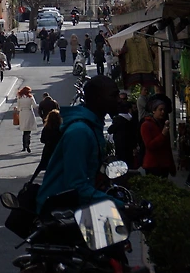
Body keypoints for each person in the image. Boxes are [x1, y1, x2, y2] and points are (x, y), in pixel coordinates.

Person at [35, 75, 119, 213]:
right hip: (58, 213)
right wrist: (119, 205)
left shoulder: (91, 126)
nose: (118, 100)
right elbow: (77, 185)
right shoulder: (80, 132)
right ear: (98, 98)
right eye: (113, 96)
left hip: (73, 208)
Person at [140, 97, 175, 177]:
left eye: (164, 110)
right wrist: (162, 135)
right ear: (154, 111)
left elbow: (167, 147)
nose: (163, 112)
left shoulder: (163, 124)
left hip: (164, 164)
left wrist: (171, 165)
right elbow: (149, 145)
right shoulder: (146, 125)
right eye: (160, 110)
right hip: (153, 164)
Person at [17, 86, 38, 152]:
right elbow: (34, 106)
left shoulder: (19, 97)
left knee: (24, 130)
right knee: (28, 130)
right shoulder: (30, 97)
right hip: (29, 112)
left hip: (22, 113)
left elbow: (18, 108)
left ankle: (24, 146)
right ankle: (28, 144)